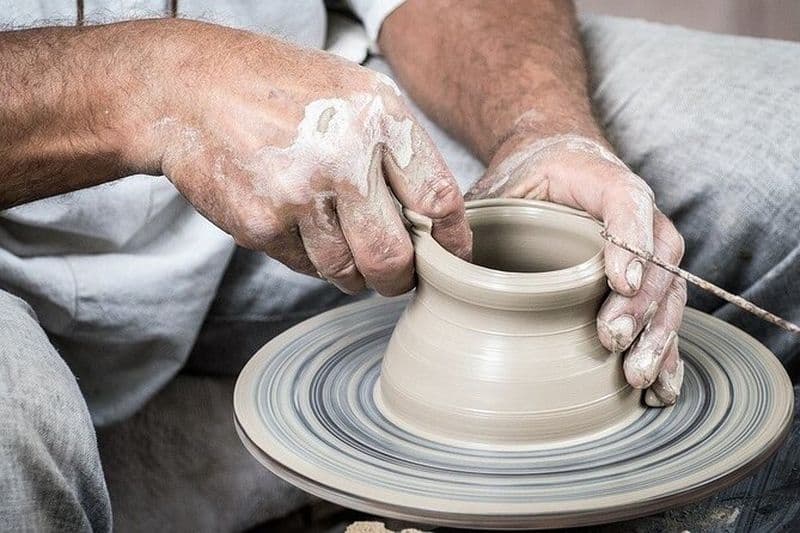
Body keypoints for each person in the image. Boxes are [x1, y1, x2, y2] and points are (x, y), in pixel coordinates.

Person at [0, 1, 797, 531]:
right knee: (15, 436)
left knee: (783, 160)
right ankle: (147, 466)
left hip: (321, 120)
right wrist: (148, 84)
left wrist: (543, 126)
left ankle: (210, 456)